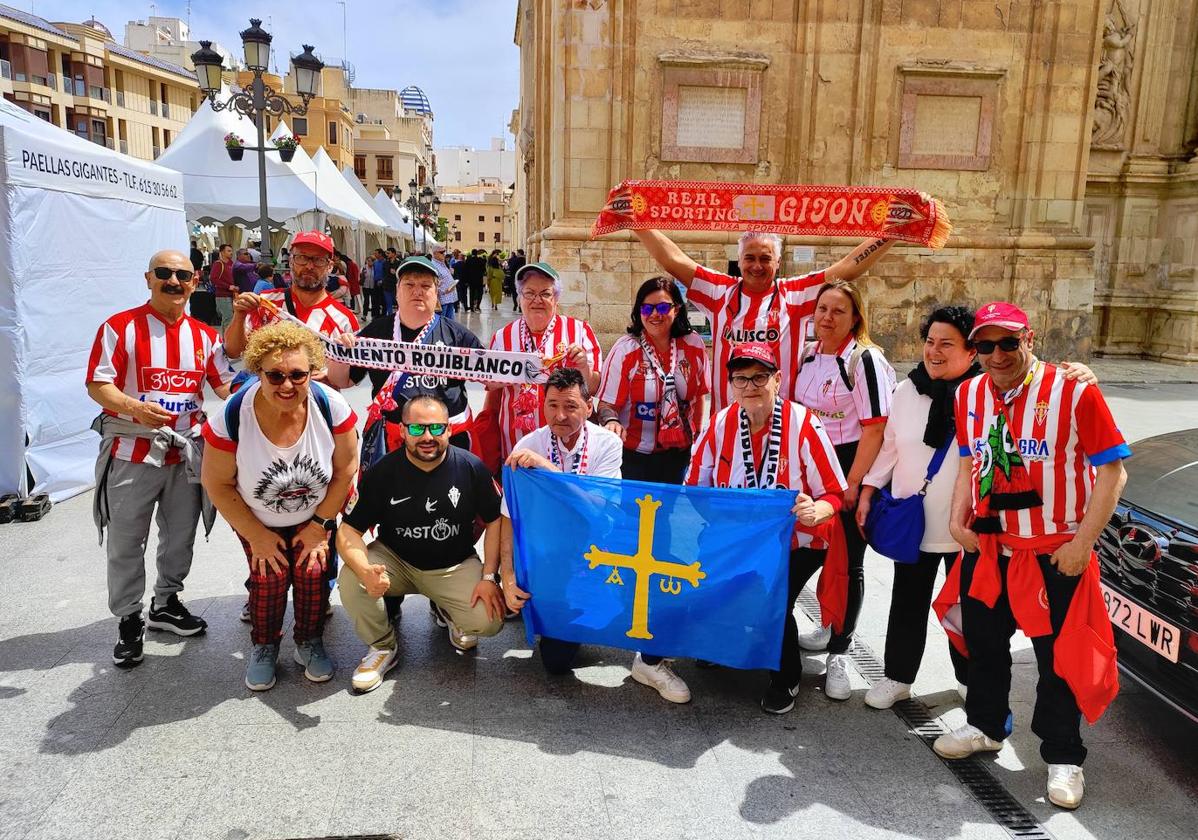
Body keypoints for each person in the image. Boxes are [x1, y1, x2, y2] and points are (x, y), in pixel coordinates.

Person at [934, 302, 1130, 811]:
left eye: (1007, 343)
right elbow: (966, 462)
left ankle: (1064, 757)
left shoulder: (1074, 390)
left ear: (1030, 338)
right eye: (984, 345)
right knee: (983, 644)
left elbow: (1112, 473)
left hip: (1054, 551)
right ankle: (985, 726)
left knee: (1058, 659)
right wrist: (958, 522)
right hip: (989, 545)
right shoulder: (968, 392)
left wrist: (1082, 544)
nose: (996, 355)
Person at [857, 306, 1103, 710]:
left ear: (970, 353)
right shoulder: (907, 390)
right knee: (907, 601)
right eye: (930, 342)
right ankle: (897, 676)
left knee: (970, 610)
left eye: (947, 344)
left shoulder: (986, 391)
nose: (934, 351)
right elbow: (889, 446)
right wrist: (869, 488)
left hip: (970, 527)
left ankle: (969, 679)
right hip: (915, 520)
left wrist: (1083, 373)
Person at [499, 368, 691, 702]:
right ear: (542, 406)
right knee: (556, 663)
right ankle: (558, 610)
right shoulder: (529, 444)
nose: (560, 415)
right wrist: (506, 573)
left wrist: (548, 470)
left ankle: (650, 661)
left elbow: (599, 508)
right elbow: (507, 517)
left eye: (571, 406)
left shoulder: (607, 443)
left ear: (589, 407)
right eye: (553, 405)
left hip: (606, 544)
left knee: (664, 579)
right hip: (558, 555)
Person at [86, 249, 235, 668]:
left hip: (184, 454)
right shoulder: (119, 328)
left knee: (181, 535)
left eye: (182, 275)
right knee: (125, 540)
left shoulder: (205, 336)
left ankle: (166, 603)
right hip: (131, 451)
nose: (174, 281)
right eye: (164, 273)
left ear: (195, 280)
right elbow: (99, 385)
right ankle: (129, 619)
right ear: (148, 277)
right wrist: (133, 407)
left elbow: (225, 387)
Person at [686, 343, 847, 714]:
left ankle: (786, 676)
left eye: (759, 377)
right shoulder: (720, 424)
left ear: (777, 380)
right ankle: (723, 646)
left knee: (771, 596)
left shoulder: (804, 424)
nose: (750, 385)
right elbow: (694, 487)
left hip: (799, 542)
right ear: (730, 385)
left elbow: (835, 493)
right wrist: (724, 519)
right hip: (740, 542)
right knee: (710, 581)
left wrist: (815, 510)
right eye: (741, 378)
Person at [201, 321, 358, 690]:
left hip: (315, 512)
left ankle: (308, 640)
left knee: (313, 573)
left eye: (297, 375)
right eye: (274, 376)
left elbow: (346, 468)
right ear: (258, 372)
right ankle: (265, 645)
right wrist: (257, 536)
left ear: (312, 372)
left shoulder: (329, 405)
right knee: (268, 577)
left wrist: (320, 526)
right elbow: (217, 483)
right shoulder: (231, 416)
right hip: (256, 514)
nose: (287, 385)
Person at [336, 394, 506, 692]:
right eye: (416, 429)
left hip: (452, 565)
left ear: (449, 429)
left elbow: (496, 520)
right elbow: (348, 531)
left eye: (436, 428)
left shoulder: (471, 467)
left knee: (489, 622)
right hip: (396, 562)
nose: (427, 437)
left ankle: (448, 609)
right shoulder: (382, 472)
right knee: (351, 578)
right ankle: (382, 647)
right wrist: (365, 570)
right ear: (402, 431)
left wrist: (490, 576)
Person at [632, 228, 897, 418]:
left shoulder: (793, 294)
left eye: (765, 258)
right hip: (727, 423)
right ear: (740, 261)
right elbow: (674, 261)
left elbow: (848, 267)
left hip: (780, 426)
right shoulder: (720, 291)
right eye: (750, 258)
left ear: (778, 262)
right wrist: (636, 221)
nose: (756, 266)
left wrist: (892, 232)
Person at [789, 280, 895, 701]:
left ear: (856, 318)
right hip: (809, 467)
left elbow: (875, 428)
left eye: (839, 311)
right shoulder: (807, 356)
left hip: (849, 466)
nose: (827, 318)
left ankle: (840, 651)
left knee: (848, 562)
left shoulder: (864, 360)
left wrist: (853, 485)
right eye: (822, 309)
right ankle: (827, 624)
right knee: (807, 552)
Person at [596, 277, 708, 483]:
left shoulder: (694, 345)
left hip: (678, 457)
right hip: (633, 457)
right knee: (634, 514)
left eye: (663, 307)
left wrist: (698, 437)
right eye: (647, 309)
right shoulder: (625, 349)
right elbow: (607, 404)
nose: (655, 314)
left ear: (677, 309)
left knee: (667, 514)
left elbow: (699, 395)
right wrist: (611, 420)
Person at [488, 261, 602, 460]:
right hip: (516, 441)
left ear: (556, 298)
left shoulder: (579, 331)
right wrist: (501, 378)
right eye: (529, 293)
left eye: (545, 294)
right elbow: (491, 390)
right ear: (520, 297)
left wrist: (583, 366)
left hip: (568, 442)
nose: (537, 300)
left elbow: (592, 387)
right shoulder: (503, 336)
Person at [224, 230, 358, 390]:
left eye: (318, 260)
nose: (309, 266)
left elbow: (352, 377)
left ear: (330, 266)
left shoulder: (344, 319)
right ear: (291, 261)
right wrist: (239, 316)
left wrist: (330, 375)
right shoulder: (265, 303)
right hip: (265, 406)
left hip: (314, 407)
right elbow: (233, 351)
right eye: (302, 257)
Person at [210, 243, 235, 330]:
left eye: (231, 251)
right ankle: (226, 341)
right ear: (222, 252)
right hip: (223, 296)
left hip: (232, 295)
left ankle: (228, 340)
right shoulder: (218, 264)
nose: (231, 253)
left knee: (230, 319)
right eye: (228, 251)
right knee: (228, 319)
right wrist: (228, 286)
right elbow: (213, 279)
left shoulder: (231, 264)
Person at [430, 245, 459, 320]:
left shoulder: (441, 263)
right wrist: (443, 291)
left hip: (449, 298)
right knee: (442, 322)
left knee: (449, 323)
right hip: (442, 300)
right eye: (442, 252)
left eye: (444, 252)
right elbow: (432, 283)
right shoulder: (433, 265)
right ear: (435, 253)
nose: (444, 254)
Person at [382, 247, 401, 315]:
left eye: (388, 253)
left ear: (393, 254)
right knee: (388, 303)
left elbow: (401, 274)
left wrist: (395, 272)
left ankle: (398, 317)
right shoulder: (385, 263)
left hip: (395, 286)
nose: (387, 254)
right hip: (387, 286)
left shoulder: (399, 263)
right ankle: (390, 317)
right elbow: (384, 273)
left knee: (398, 303)